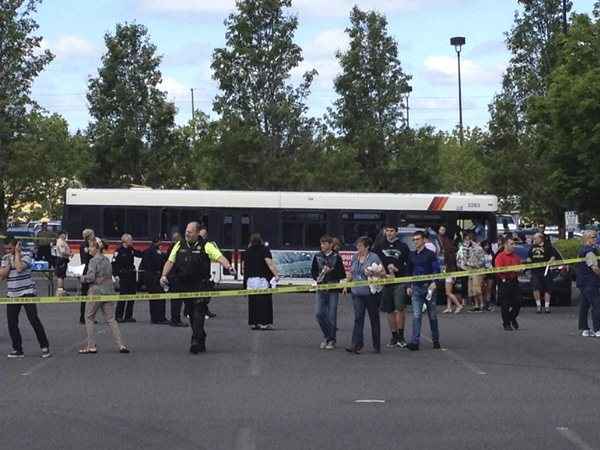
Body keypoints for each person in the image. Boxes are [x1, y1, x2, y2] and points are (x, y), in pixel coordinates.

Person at [160, 221, 234, 354]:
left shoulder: (207, 246)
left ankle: (195, 340)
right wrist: (163, 275)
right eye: (186, 231)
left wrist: (228, 266)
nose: (187, 233)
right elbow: (170, 261)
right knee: (191, 314)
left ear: (197, 233)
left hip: (201, 284)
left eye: (190, 231)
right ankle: (201, 336)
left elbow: (220, 257)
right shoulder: (179, 244)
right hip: (185, 285)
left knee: (198, 312)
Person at [0, 237, 51, 358]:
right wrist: (8, 261)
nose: (8, 250)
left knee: (33, 319)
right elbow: (2, 275)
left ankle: (45, 347)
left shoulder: (26, 255)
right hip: (12, 293)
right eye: (6, 248)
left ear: (17, 245)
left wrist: (17, 253)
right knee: (12, 322)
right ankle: (17, 349)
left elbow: (19, 268)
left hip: (27, 292)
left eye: (10, 248)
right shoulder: (6, 257)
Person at [79, 238, 129, 354]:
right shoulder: (106, 260)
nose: (88, 249)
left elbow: (91, 278)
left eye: (91, 247)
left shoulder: (93, 261)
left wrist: (81, 277)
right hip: (109, 291)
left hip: (96, 291)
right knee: (111, 319)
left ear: (96, 248)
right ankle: (121, 345)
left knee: (89, 317)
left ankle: (91, 346)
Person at [373, 224, 410, 348]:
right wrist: (381, 272)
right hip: (385, 282)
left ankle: (401, 336)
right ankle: (393, 336)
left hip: (399, 281)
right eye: (387, 231)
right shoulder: (379, 246)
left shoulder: (403, 246)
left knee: (400, 309)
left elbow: (408, 264)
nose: (389, 233)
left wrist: (398, 269)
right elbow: (374, 263)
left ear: (396, 232)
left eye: (392, 231)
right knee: (389, 310)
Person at [345, 236, 385, 354]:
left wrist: (373, 272)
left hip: (370, 293)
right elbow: (351, 272)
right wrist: (347, 283)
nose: (358, 248)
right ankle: (356, 344)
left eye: (360, 246)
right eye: (357, 246)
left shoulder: (374, 257)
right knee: (358, 318)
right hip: (356, 292)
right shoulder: (354, 257)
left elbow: (383, 273)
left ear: (367, 247)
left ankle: (376, 345)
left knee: (374, 318)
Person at [406, 231, 441, 351]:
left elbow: (436, 269)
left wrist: (435, 282)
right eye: (414, 240)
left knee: (432, 315)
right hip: (416, 288)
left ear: (423, 240)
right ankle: (415, 342)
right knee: (416, 315)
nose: (415, 241)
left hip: (429, 288)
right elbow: (408, 272)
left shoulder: (430, 254)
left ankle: (436, 340)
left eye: (417, 239)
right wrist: (408, 286)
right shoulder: (411, 255)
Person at [311, 234, 346, 349]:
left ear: (331, 245)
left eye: (325, 243)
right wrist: (318, 277)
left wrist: (331, 271)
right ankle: (327, 336)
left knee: (332, 315)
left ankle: (331, 340)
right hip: (320, 288)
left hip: (333, 289)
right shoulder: (317, 256)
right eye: (321, 243)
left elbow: (342, 274)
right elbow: (313, 272)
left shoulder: (337, 257)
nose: (322, 245)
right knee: (319, 314)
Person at [243, 233, 280, 330]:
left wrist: (245, 283)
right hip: (262, 279)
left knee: (253, 302)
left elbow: (245, 268)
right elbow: (269, 263)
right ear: (261, 240)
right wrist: (276, 275)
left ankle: (254, 323)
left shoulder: (247, 251)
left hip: (250, 280)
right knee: (264, 301)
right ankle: (264, 323)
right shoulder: (264, 249)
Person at [112, 233, 143, 323]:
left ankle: (128, 316)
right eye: (131, 240)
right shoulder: (118, 251)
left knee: (132, 296)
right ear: (125, 241)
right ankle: (118, 316)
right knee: (123, 296)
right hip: (123, 276)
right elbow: (114, 264)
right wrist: (116, 275)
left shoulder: (131, 250)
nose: (132, 242)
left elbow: (140, 254)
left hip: (132, 275)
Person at [575, 230, 600, 337]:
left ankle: (585, 329)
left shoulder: (581, 250)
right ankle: (597, 329)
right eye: (593, 237)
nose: (596, 239)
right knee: (597, 305)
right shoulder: (590, 251)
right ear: (587, 239)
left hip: (582, 281)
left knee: (584, 305)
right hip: (590, 282)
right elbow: (594, 268)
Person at [495, 237, 522, 331]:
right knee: (505, 304)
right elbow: (499, 270)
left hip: (514, 281)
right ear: (505, 245)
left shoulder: (516, 256)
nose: (513, 246)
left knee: (518, 303)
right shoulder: (500, 256)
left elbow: (519, 268)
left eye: (514, 244)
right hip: (504, 282)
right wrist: (512, 269)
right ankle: (506, 323)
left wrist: (520, 270)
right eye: (511, 244)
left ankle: (512, 318)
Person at [140, 237, 169, 324]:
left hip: (150, 278)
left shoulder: (147, 251)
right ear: (157, 243)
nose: (161, 246)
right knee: (159, 298)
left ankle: (155, 318)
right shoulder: (155, 252)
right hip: (155, 277)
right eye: (160, 244)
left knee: (153, 299)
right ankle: (160, 318)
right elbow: (159, 262)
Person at [528, 233, 558, 314]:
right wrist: (528, 260)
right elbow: (529, 257)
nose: (534, 240)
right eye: (534, 239)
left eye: (536, 238)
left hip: (545, 271)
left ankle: (547, 306)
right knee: (535, 287)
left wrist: (550, 261)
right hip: (535, 271)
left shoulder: (548, 247)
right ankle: (538, 305)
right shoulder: (532, 247)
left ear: (541, 238)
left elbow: (553, 256)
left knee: (547, 289)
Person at [457, 232, 485, 312]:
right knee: (471, 289)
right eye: (466, 239)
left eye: (468, 239)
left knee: (477, 289)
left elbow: (482, 260)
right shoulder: (462, 248)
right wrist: (462, 265)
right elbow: (459, 258)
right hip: (469, 271)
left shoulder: (478, 248)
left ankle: (482, 304)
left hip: (477, 270)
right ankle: (476, 305)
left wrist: (476, 265)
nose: (467, 241)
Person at [439, 225, 463, 314]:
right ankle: (449, 307)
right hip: (452, 272)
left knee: (448, 292)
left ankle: (458, 305)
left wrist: (451, 273)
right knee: (449, 291)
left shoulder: (449, 253)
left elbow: (449, 264)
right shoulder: (453, 250)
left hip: (450, 272)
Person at [167, 230, 187, 327]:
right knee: (177, 301)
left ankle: (175, 319)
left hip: (172, 276)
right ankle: (176, 320)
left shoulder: (170, 248)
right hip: (176, 277)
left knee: (175, 300)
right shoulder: (176, 249)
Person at [79, 228, 95, 324]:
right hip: (87, 271)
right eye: (92, 234)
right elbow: (89, 257)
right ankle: (84, 317)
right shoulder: (85, 245)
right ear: (89, 236)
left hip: (87, 270)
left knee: (90, 295)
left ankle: (88, 316)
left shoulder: (86, 244)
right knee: (86, 295)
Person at [54, 230, 71, 296]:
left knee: (62, 276)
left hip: (63, 259)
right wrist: (69, 254)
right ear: (61, 235)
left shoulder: (62, 241)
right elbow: (62, 251)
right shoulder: (60, 241)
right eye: (64, 234)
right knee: (60, 276)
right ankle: (60, 292)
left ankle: (62, 291)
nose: (65, 236)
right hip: (61, 259)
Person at [481, 240, 496, 312]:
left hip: (491, 272)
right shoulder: (480, 253)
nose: (487, 247)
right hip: (483, 272)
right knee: (483, 288)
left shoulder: (491, 253)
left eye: (488, 245)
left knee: (489, 289)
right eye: (485, 245)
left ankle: (488, 303)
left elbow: (494, 262)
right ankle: (482, 303)